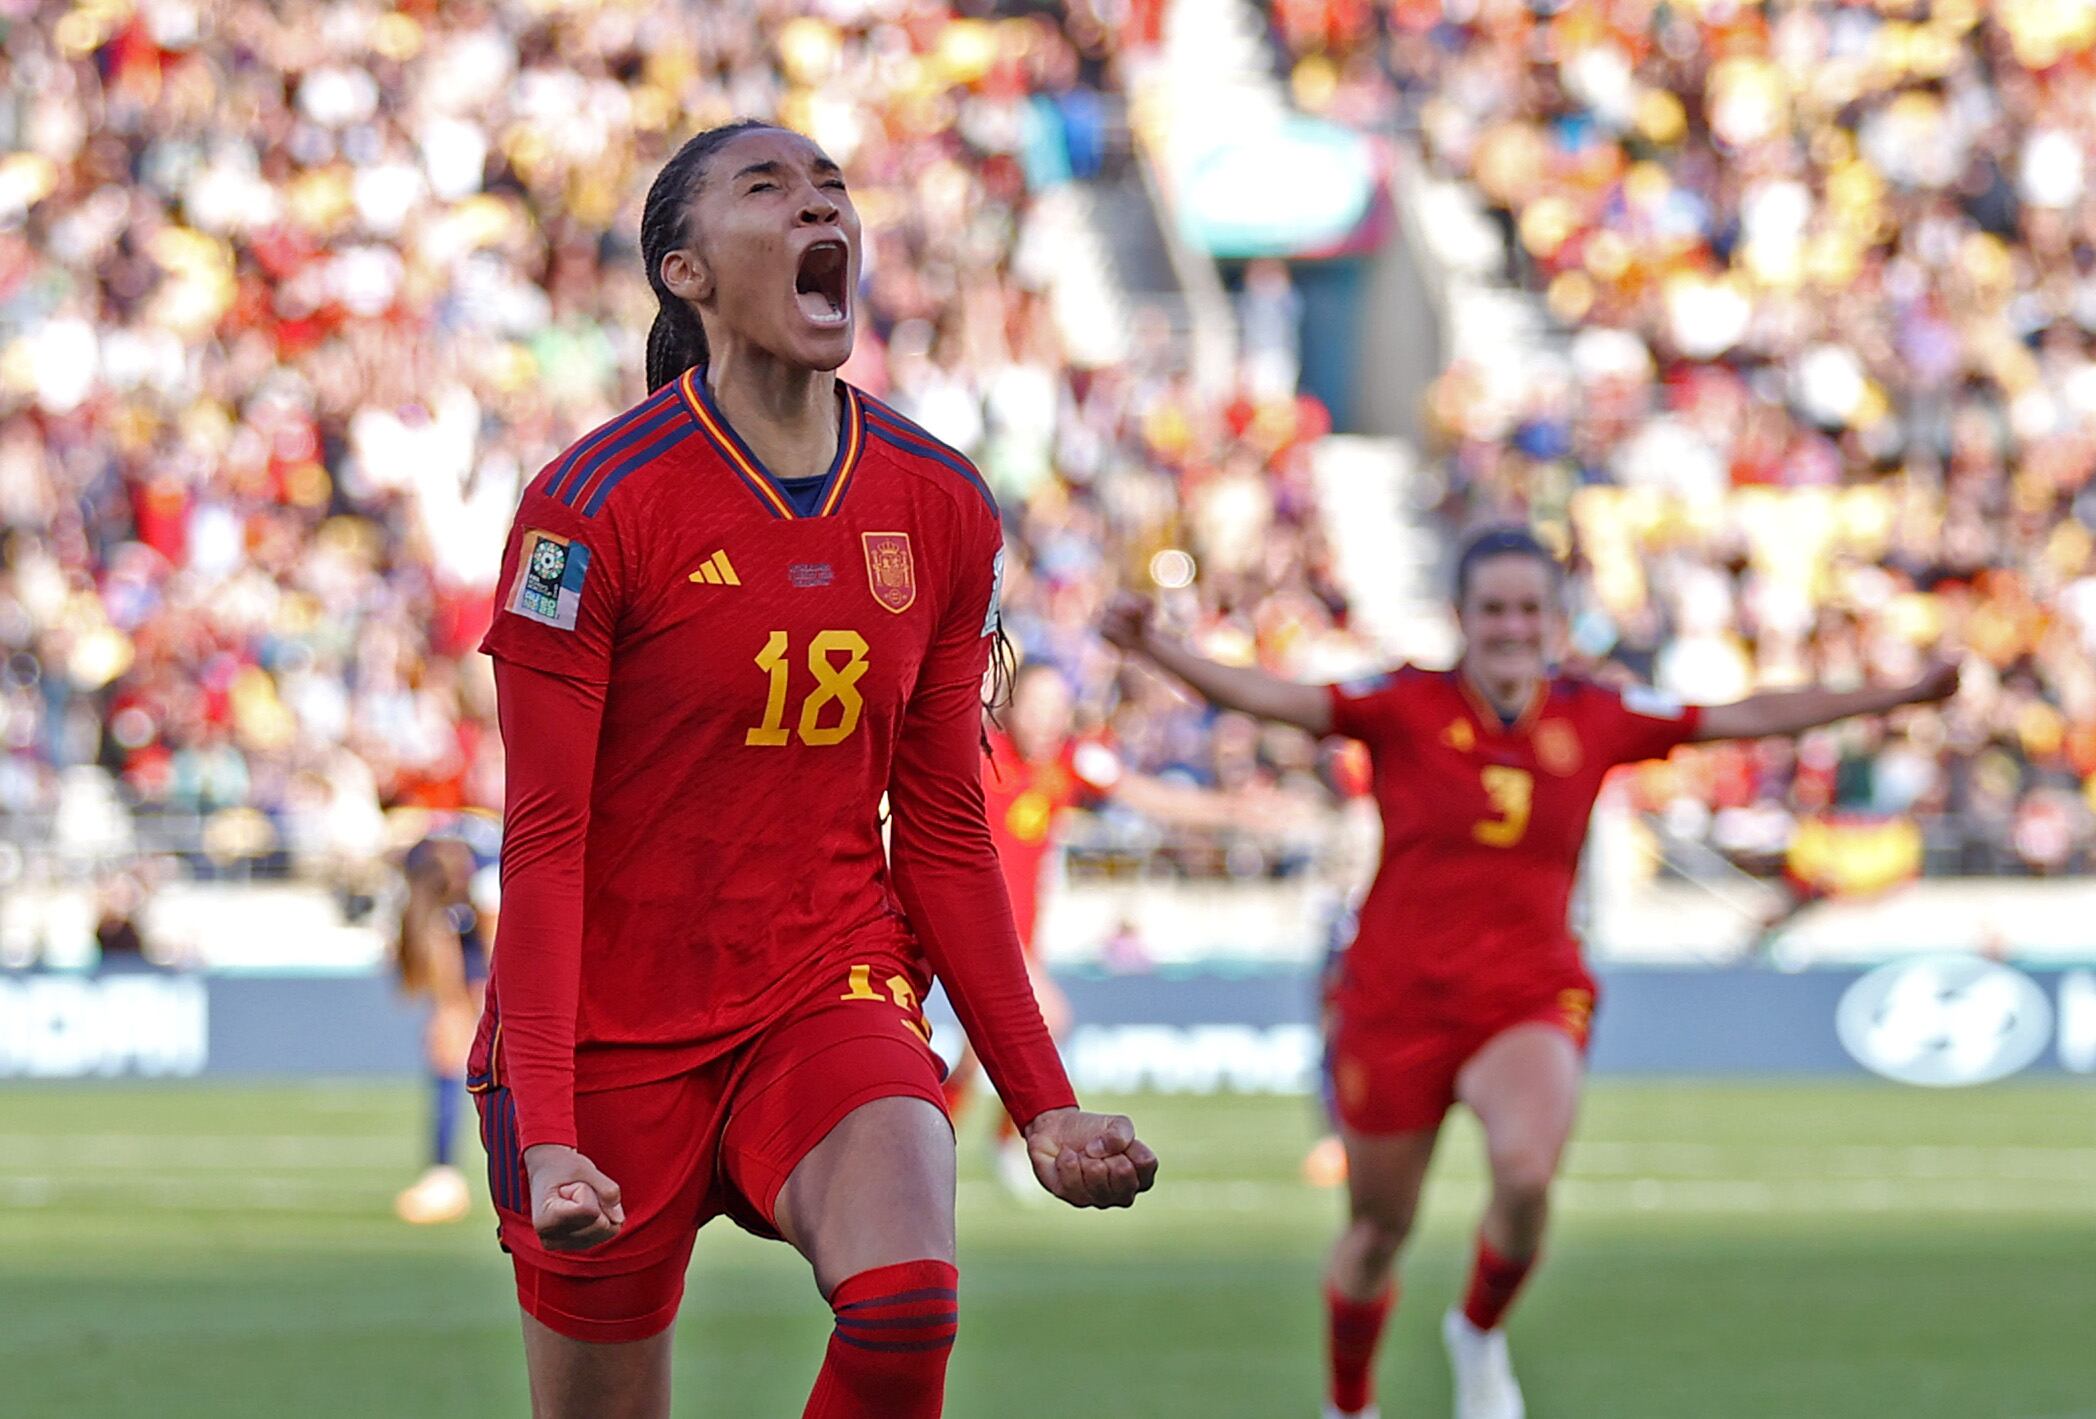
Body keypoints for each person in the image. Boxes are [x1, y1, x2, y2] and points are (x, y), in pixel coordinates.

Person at [469, 119, 1157, 1419]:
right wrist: (547, 1126)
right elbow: (545, 840)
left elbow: (944, 829)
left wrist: (1044, 1105)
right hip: (614, 1028)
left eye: (831, 187)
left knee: (907, 1309)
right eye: (767, 187)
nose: (817, 205)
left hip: (824, 983)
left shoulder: (939, 500)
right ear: (684, 271)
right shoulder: (589, 506)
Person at [1103, 525, 1958, 1419]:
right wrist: (1156, 647)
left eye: (1528, 609)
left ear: (1555, 619)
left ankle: (1477, 1332)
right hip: (1393, 1000)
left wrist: (1899, 691)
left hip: (1528, 993)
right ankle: (1349, 1404)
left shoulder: (1597, 714)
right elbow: (1273, 697)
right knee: (1378, 1231)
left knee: (1525, 1173)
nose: (1511, 626)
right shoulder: (1403, 704)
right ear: (1461, 616)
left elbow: (1748, 715)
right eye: (1493, 608)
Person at [946, 659, 1248, 1192]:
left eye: (1057, 708)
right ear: (1010, 706)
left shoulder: (1071, 761)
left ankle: (936, 1141)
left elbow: (1149, 796)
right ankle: (1017, 1140)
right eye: (1036, 705)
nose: (1046, 719)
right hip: (975, 928)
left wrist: (1232, 811)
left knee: (978, 1055)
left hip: (1022, 934)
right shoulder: (979, 756)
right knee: (1049, 1018)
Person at [391, 814, 499, 1224]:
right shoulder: (420, 864)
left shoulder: (489, 874)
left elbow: (496, 948)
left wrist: (490, 1008)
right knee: (446, 1044)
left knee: (505, 1049)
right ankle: (443, 1174)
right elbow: (435, 939)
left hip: (511, 932)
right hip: (468, 927)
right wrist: (449, 1008)